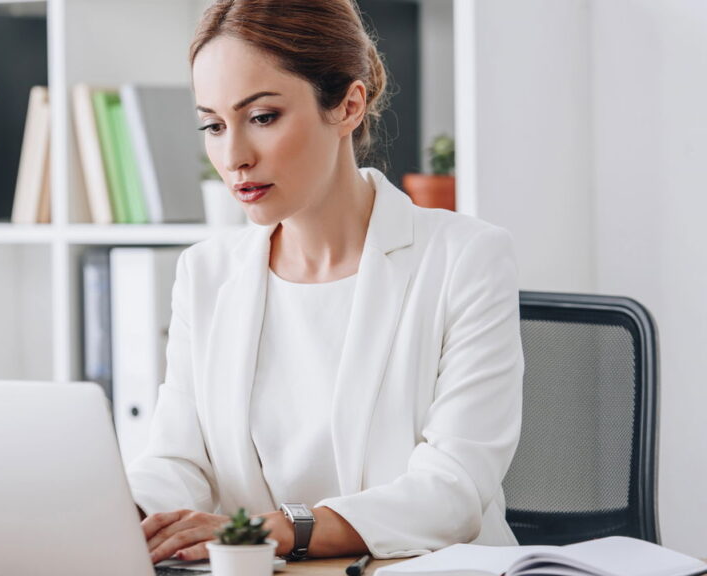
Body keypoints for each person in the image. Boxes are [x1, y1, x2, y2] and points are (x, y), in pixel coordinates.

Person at [127, 0, 524, 563]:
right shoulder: (206, 273)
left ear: (348, 105)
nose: (233, 156)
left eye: (262, 117)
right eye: (213, 125)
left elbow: (451, 492)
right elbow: (177, 462)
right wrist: (128, 517)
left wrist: (283, 529)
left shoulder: (466, 258)